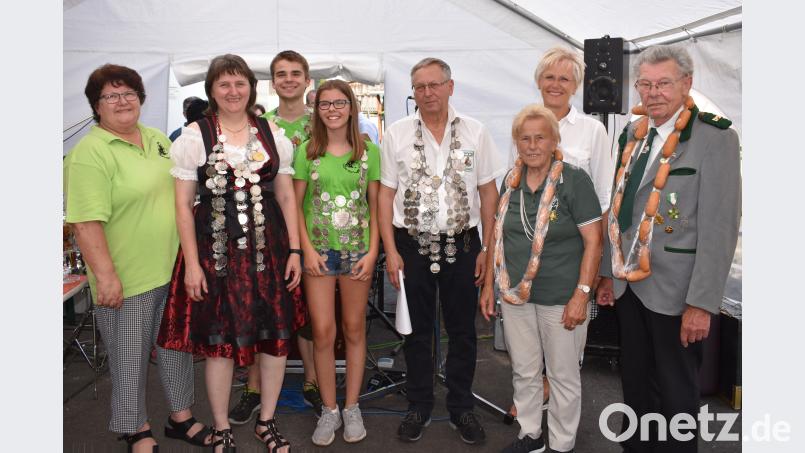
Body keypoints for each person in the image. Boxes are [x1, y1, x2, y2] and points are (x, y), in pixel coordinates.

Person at [157, 54, 306, 453]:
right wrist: (191, 263)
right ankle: (222, 426)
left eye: (240, 83)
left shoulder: (272, 132)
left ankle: (267, 421)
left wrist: (294, 249)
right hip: (216, 253)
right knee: (220, 342)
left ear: (251, 88)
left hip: (268, 251)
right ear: (211, 91)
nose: (233, 91)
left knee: (274, 338)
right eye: (224, 84)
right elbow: (183, 206)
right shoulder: (194, 136)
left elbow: (287, 197)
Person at [596, 45, 741, 453]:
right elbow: (619, 209)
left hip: (678, 291)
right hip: (629, 284)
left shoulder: (715, 138)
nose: (653, 92)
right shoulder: (633, 133)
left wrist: (702, 303)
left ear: (687, 84)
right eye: (646, 83)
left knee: (677, 393)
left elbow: (719, 229)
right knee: (635, 382)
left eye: (664, 83)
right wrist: (608, 271)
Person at [64, 64, 211, 453]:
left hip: (172, 269)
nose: (122, 101)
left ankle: (181, 417)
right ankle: (136, 429)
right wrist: (106, 276)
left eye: (129, 93)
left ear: (141, 98)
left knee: (175, 349)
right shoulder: (89, 153)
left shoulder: (158, 138)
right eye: (111, 96)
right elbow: (85, 222)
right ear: (96, 106)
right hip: (127, 276)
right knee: (129, 359)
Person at [379, 57, 505, 445]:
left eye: (435, 85)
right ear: (413, 92)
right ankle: (418, 404)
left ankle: (461, 407)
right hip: (411, 245)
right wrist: (390, 250)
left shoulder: (476, 132)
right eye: (420, 87)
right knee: (415, 331)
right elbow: (385, 195)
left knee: (463, 330)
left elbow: (488, 192)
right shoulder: (396, 134)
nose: (428, 93)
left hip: (464, 243)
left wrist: (488, 247)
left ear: (451, 87)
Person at [480, 105, 603, 453]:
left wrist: (582, 294)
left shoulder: (575, 180)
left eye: (540, 137)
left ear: (554, 141)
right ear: (517, 143)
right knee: (525, 370)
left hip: (562, 297)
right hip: (516, 296)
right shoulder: (510, 180)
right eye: (525, 138)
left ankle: (562, 445)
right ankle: (530, 435)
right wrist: (490, 286)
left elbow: (594, 242)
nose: (532, 145)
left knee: (563, 376)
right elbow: (498, 238)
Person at [223, 50, 322, 427]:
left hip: (314, 233)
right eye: (281, 74)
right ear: (272, 83)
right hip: (266, 234)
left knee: (310, 317)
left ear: (307, 79)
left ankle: (312, 383)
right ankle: (252, 388)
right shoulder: (260, 125)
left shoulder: (324, 123)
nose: (289, 79)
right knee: (259, 312)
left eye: (296, 73)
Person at [293, 79, 381, 446]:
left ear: (351, 107)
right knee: (324, 332)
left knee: (354, 329)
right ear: (317, 110)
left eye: (339, 102)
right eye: (325, 104)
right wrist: (306, 250)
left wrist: (374, 251)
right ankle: (329, 410)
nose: (332, 109)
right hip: (319, 254)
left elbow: (377, 207)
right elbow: (295, 206)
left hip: (358, 253)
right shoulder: (307, 152)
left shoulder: (368, 153)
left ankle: (351, 406)